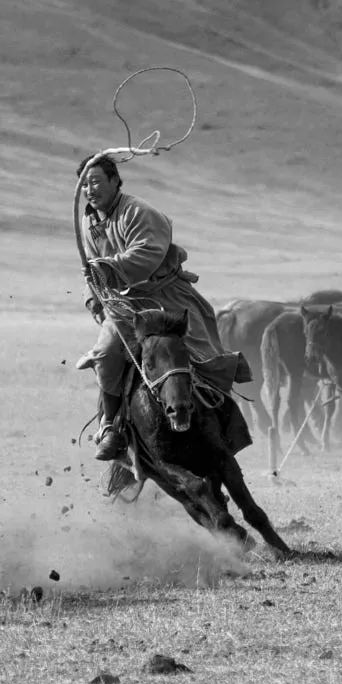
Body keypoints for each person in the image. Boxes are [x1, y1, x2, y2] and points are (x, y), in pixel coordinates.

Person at [75, 153, 250, 460]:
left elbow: (148, 253)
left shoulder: (138, 212)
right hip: (123, 308)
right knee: (105, 355)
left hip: (165, 299)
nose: (90, 189)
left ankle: (222, 429)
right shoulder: (88, 223)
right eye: (84, 184)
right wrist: (93, 295)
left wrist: (108, 268)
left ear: (115, 181)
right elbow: (91, 270)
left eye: (96, 181)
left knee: (197, 359)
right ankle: (110, 427)